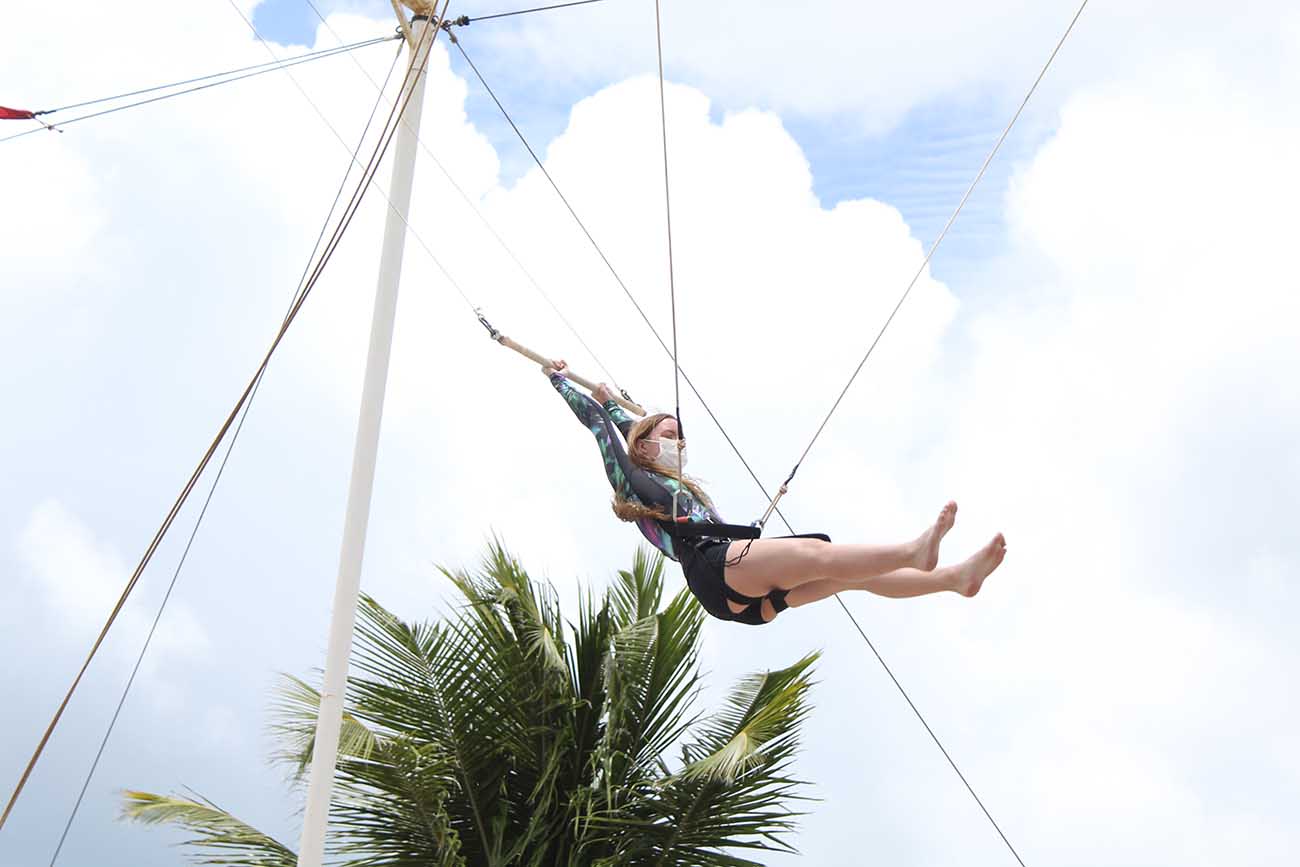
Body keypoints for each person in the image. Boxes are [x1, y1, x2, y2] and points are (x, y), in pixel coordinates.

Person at [545, 359, 1006, 626]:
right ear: (645, 445)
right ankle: (913, 550)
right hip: (713, 568)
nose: (679, 444)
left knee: (851, 575)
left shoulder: (665, 478)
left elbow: (638, 431)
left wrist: (615, 405)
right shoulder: (634, 480)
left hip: (731, 592)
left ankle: (954, 579)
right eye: (671, 435)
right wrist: (562, 380)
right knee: (819, 553)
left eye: (682, 437)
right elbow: (605, 428)